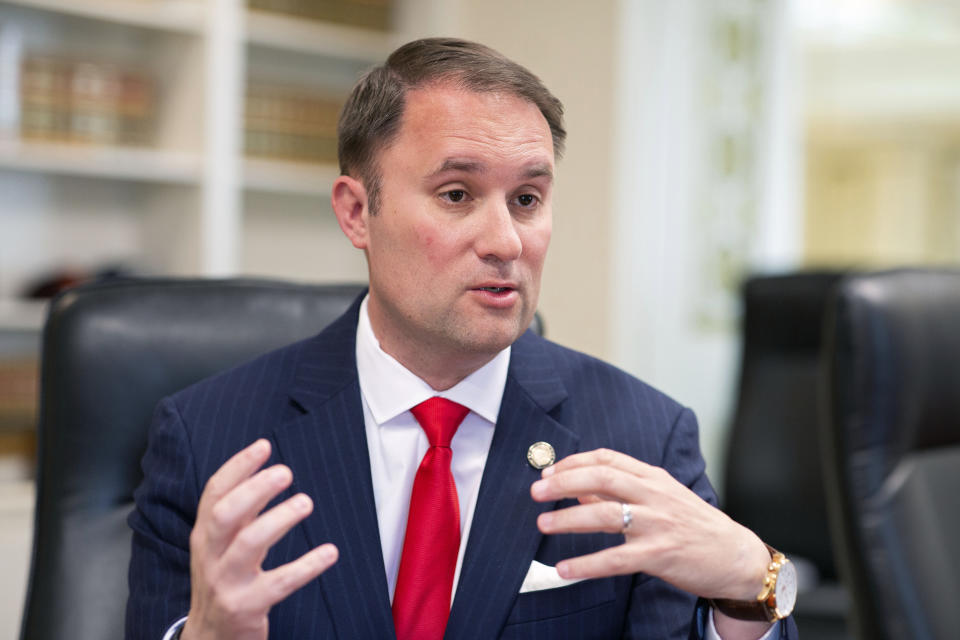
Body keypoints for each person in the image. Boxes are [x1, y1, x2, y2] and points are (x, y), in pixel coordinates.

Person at [127, 38, 799, 640]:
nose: (506, 241)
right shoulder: (208, 437)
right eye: (456, 195)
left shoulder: (640, 436)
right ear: (358, 211)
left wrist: (751, 582)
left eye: (527, 200)